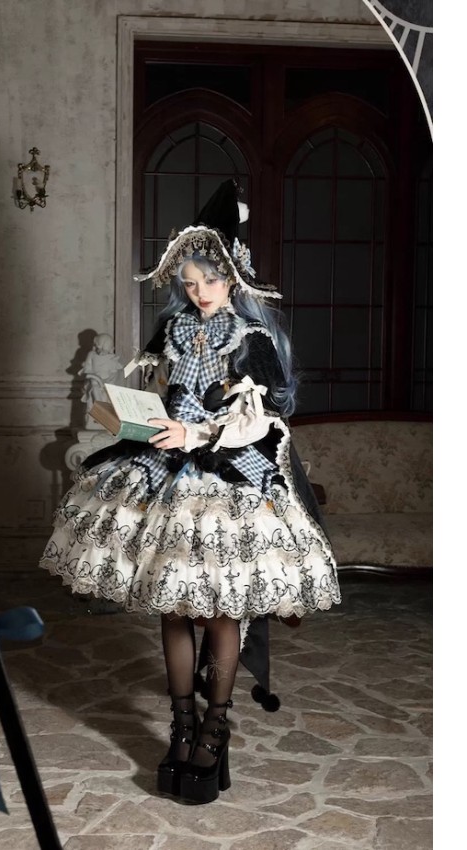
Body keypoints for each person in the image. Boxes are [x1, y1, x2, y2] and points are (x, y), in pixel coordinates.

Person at [39, 179, 339, 804]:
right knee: (173, 605)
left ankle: (214, 730)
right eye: (190, 282)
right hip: (163, 466)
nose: (199, 292)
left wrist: (195, 433)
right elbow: (157, 394)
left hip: (225, 470)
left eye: (209, 280)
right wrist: (136, 419)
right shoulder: (172, 330)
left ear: (233, 278)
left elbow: (261, 420)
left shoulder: (251, 339)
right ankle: (180, 726)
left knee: (221, 607)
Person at [78, 332, 124, 424]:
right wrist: (93, 375)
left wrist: (108, 380)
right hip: (93, 380)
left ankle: (105, 413)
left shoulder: (112, 358)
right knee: (94, 386)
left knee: (108, 390)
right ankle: (100, 410)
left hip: (108, 381)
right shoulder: (92, 355)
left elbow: (115, 373)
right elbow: (87, 368)